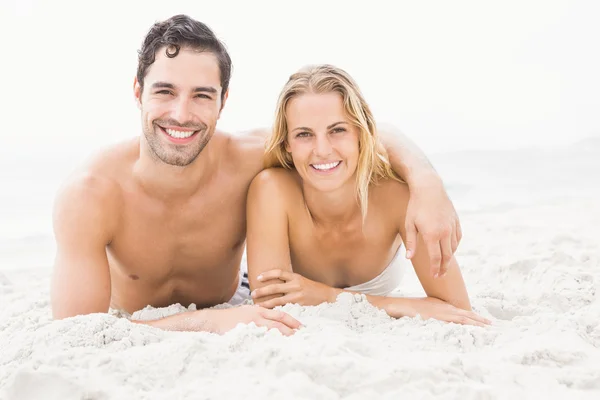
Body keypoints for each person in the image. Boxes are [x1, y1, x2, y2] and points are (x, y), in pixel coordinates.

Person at [51, 15, 463, 335]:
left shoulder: (251, 158)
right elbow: (75, 334)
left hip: (240, 298)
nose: (181, 113)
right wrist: (210, 322)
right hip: (172, 317)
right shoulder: (91, 195)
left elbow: (367, 134)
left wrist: (427, 184)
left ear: (223, 101)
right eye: (165, 91)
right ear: (138, 92)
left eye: (201, 95)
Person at [247, 64, 490, 327]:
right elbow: (272, 306)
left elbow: (457, 309)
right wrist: (401, 304)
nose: (322, 149)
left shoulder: (397, 198)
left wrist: (326, 296)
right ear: (287, 144)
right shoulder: (272, 190)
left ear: (360, 134)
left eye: (337, 130)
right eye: (304, 134)